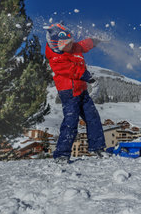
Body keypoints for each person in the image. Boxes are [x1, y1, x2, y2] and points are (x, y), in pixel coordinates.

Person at [44, 23, 106, 163]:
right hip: (69, 93)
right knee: (71, 122)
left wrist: (96, 40)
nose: (71, 45)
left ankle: (98, 148)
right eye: (67, 44)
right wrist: (89, 77)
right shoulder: (55, 58)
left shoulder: (73, 47)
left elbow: (84, 45)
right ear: (57, 45)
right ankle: (62, 154)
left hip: (82, 91)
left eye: (71, 42)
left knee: (93, 117)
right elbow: (72, 70)